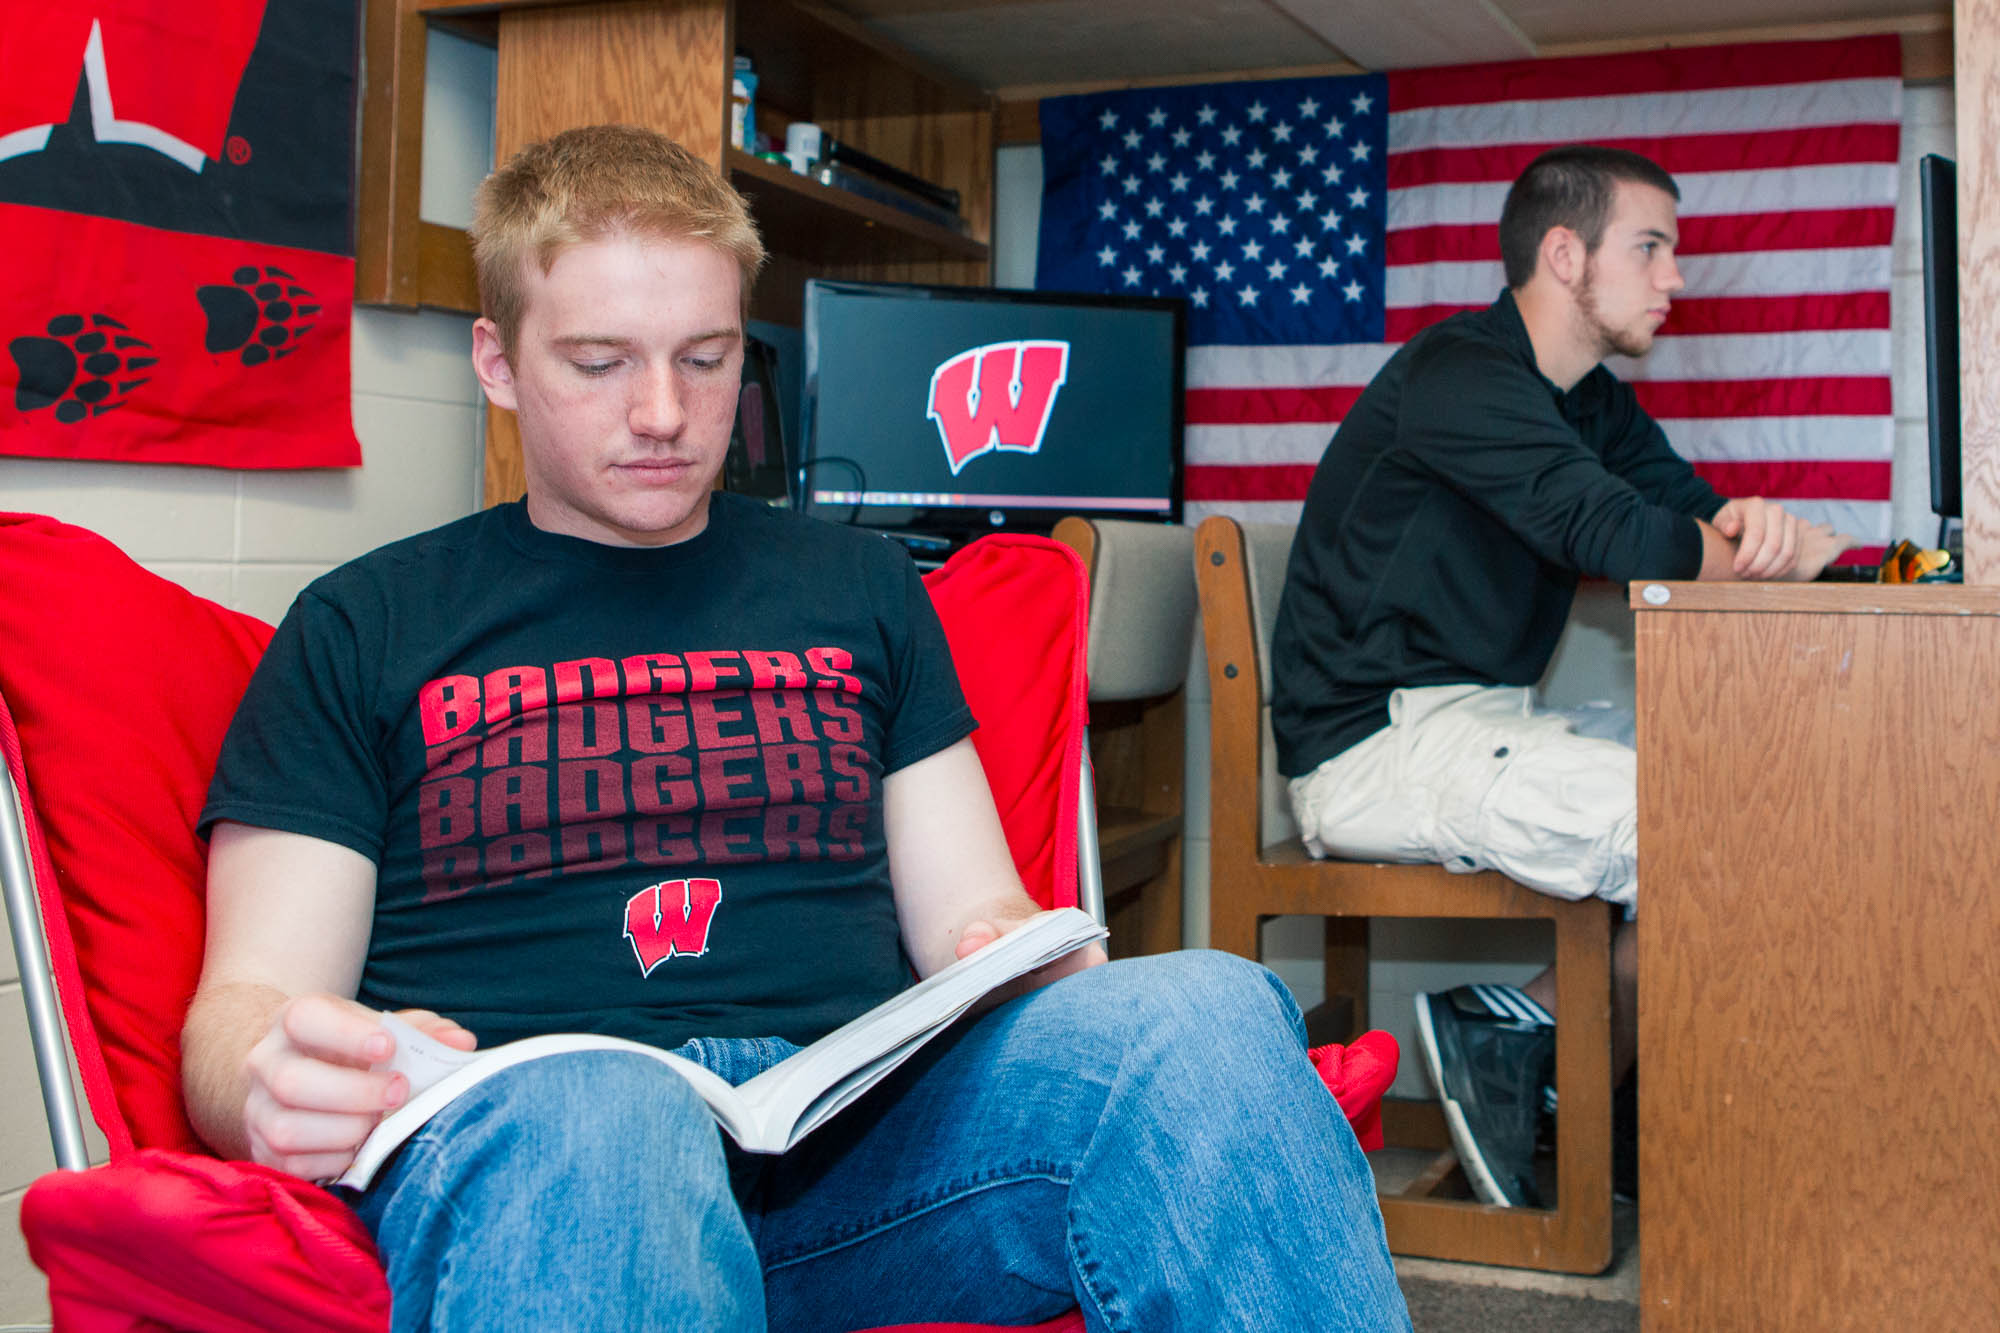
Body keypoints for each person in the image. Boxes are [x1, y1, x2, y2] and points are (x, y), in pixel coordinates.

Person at [179, 124, 1411, 1332]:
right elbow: (245, 1005)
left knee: (1205, 1008)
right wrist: (269, 1079)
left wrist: (1017, 950)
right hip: (551, 1154)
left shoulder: (863, 590)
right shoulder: (364, 622)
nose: (662, 412)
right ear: (496, 362)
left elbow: (970, 916)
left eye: (705, 359)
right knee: (606, 1106)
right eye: (599, 362)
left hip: (860, 1164)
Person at [1269, 144, 1851, 1210]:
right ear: (1563, 251)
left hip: (1480, 722)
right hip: (1373, 746)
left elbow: (1689, 510)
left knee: (1769, 804)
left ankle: (1549, 1070)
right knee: (1717, 833)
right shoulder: (1460, 372)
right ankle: (1529, 1049)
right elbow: (1622, 532)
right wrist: (1765, 547)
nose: (1674, 278)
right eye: (1651, 247)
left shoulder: (1588, 402)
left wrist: (1760, 532)